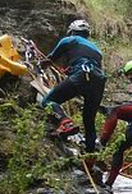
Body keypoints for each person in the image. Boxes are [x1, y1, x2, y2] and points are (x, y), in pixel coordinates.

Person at [40, 20, 106, 151]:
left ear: (72, 31)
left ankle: (65, 123)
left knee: (48, 100)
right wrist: (71, 70)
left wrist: (44, 63)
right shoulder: (97, 51)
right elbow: (90, 64)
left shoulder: (71, 40)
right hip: (98, 81)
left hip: (82, 74)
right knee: (89, 120)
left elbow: (51, 58)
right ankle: (91, 155)